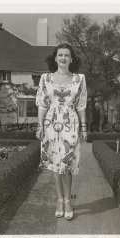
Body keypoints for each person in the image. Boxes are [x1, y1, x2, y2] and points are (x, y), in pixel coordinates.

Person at [35, 43, 87, 220]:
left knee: (67, 163)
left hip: (70, 123)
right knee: (55, 163)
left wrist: (84, 128)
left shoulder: (79, 79)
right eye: (60, 55)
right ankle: (60, 200)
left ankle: (68, 201)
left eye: (67, 55)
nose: (63, 58)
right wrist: (40, 126)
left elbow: (81, 105)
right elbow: (42, 105)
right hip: (51, 122)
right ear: (55, 58)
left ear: (72, 59)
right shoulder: (45, 79)